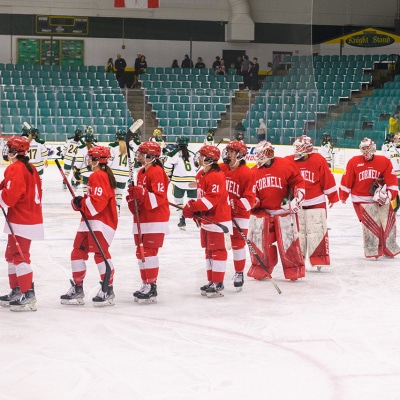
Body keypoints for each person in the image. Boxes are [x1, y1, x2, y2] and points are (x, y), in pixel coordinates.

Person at [60, 146, 118, 307]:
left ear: (97, 160)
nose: (88, 160)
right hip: (90, 222)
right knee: (77, 251)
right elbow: (91, 201)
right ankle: (78, 288)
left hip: (101, 222)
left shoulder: (99, 175)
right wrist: (79, 202)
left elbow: (97, 204)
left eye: (91, 157)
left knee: (101, 254)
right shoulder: (99, 175)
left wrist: (82, 203)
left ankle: (108, 289)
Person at [248, 141, 306, 281]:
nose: (260, 156)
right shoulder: (253, 172)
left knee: (289, 244)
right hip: (264, 215)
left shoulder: (285, 164)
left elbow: (298, 181)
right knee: (260, 244)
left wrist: (296, 200)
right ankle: (262, 268)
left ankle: (294, 271)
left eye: (263, 153)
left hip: (283, 214)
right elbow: (250, 193)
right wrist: (253, 202)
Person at [0, 136, 44, 312]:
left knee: (20, 256)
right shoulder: (29, 167)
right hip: (27, 217)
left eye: (9, 148)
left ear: (14, 151)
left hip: (22, 219)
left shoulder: (16, 169)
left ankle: (28, 294)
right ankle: (17, 290)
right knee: (11, 255)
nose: (6, 151)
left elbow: (10, 197)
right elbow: (7, 186)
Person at [182, 145, 232, 297]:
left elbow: (212, 200)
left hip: (219, 219)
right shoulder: (200, 174)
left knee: (217, 251)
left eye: (202, 156)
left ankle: (218, 282)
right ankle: (212, 281)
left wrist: (193, 207)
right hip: (207, 219)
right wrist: (197, 212)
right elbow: (202, 197)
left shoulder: (216, 176)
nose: (198, 158)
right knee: (209, 251)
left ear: (209, 159)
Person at [339, 137, 400, 259]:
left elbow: (392, 180)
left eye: (368, 148)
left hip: (380, 199)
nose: (366, 151)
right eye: (364, 148)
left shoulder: (383, 161)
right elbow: (347, 179)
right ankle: (373, 251)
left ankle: (389, 248)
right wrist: (343, 195)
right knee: (371, 225)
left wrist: (389, 195)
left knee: (389, 223)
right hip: (361, 199)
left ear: (373, 147)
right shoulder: (354, 161)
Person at [285, 135, 339, 270]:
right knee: (299, 233)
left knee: (317, 231)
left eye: (300, 147)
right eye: (296, 147)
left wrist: (332, 197)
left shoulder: (318, 160)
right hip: (297, 204)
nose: (297, 150)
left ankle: (319, 259)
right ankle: (298, 259)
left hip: (316, 201)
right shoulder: (288, 161)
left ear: (307, 148)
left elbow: (327, 178)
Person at [126, 141, 170, 303]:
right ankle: (145, 283)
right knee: (141, 252)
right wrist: (133, 197)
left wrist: (142, 193)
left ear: (151, 157)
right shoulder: (141, 172)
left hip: (155, 218)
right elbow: (141, 197)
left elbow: (158, 197)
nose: (138, 156)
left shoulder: (157, 172)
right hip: (143, 217)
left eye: (142, 153)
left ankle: (151, 286)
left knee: (149, 252)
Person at [220, 140, 255, 291]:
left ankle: (239, 272)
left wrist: (233, 205)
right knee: (218, 246)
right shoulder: (220, 168)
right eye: (228, 151)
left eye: (232, 152)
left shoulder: (247, 173)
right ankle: (217, 277)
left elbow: (250, 200)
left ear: (240, 155)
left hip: (240, 216)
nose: (229, 154)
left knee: (238, 245)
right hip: (221, 214)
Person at [163, 136, 197, 229]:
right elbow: (197, 167)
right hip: (193, 181)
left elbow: (167, 167)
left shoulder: (173, 153)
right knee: (193, 202)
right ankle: (198, 218)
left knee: (179, 201)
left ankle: (182, 219)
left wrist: (169, 176)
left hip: (179, 181)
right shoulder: (192, 154)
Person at [108, 129, 132, 215]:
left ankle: (110, 208)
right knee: (119, 193)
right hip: (124, 175)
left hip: (113, 174)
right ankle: (118, 207)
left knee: (111, 192)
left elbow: (109, 161)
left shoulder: (112, 146)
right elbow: (131, 164)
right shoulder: (130, 148)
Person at [74, 126, 97, 194]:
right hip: (95, 172)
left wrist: (76, 170)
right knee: (93, 190)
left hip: (85, 172)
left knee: (85, 190)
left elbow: (79, 161)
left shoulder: (81, 148)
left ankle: (86, 201)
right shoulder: (97, 148)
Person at [382, 133, 400, 213]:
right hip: (394, 175)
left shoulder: (392, 149)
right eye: (395, 139)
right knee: (394, 192)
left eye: (397, 139)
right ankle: (394, 208)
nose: (395, 140)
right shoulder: (390, 149)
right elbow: (385, 161)